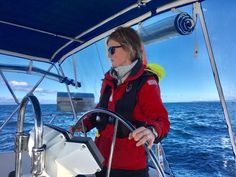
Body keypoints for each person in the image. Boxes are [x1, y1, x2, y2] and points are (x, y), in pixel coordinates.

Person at [71, 26, 170, 177]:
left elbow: (161, 120)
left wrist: (152, 131)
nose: (108, 56)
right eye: (107, 51)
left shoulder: (146, 82)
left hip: (130, 167)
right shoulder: (108, 79)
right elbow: (101, 109)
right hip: (100, 160)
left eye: (112, 50)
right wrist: (84, 124)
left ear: (128, 48)